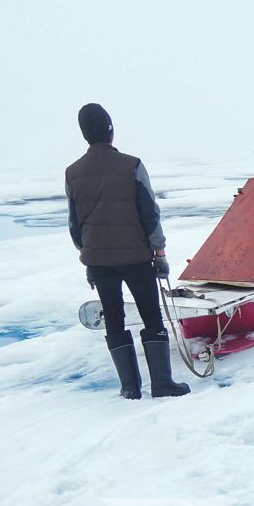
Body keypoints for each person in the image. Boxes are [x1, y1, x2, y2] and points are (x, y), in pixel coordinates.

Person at [65, 102, 188, 399]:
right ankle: (162, 383)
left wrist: (88, 254)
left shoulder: (72, 172)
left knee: (115, 319)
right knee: (151, 316)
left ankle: (129, 388)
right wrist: (159, 252)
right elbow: (150, 213)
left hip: (98, 260)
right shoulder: (132, 165)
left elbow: (74, 223)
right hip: (135, 257)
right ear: (111, 131)